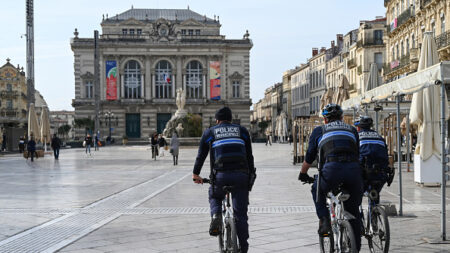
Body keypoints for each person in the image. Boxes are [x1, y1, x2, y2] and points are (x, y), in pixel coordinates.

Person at [298, 103, 363, 251]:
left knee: (317, 189)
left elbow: (309, 157)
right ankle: (355, 247)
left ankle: (325, 220)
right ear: (341, 117)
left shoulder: (319, 131)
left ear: (325, 120)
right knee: (353, 212)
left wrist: (303, 174)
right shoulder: (352, 130)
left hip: (332, 169)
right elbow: (357, 152)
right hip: (353, 170)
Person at [193, 107, 256, 253]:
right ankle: (244, 248)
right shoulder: (242, 131)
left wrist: (196, 174)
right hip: (241, 176)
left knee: (214, 195)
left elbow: (201, 156)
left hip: (220, 176)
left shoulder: (210, 132)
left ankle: (216, 215)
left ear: (217, 120)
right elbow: (249, 157)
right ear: (231, 119)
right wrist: (250, 175)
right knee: (240, 214)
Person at [355, 116, 392, 204]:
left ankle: (358, 213)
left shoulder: (357, 136)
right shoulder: (379, 137)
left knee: (356, 193)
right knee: (375, 192)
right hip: (381, 173)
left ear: (358, 127)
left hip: (364, 172)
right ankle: (374, 211)